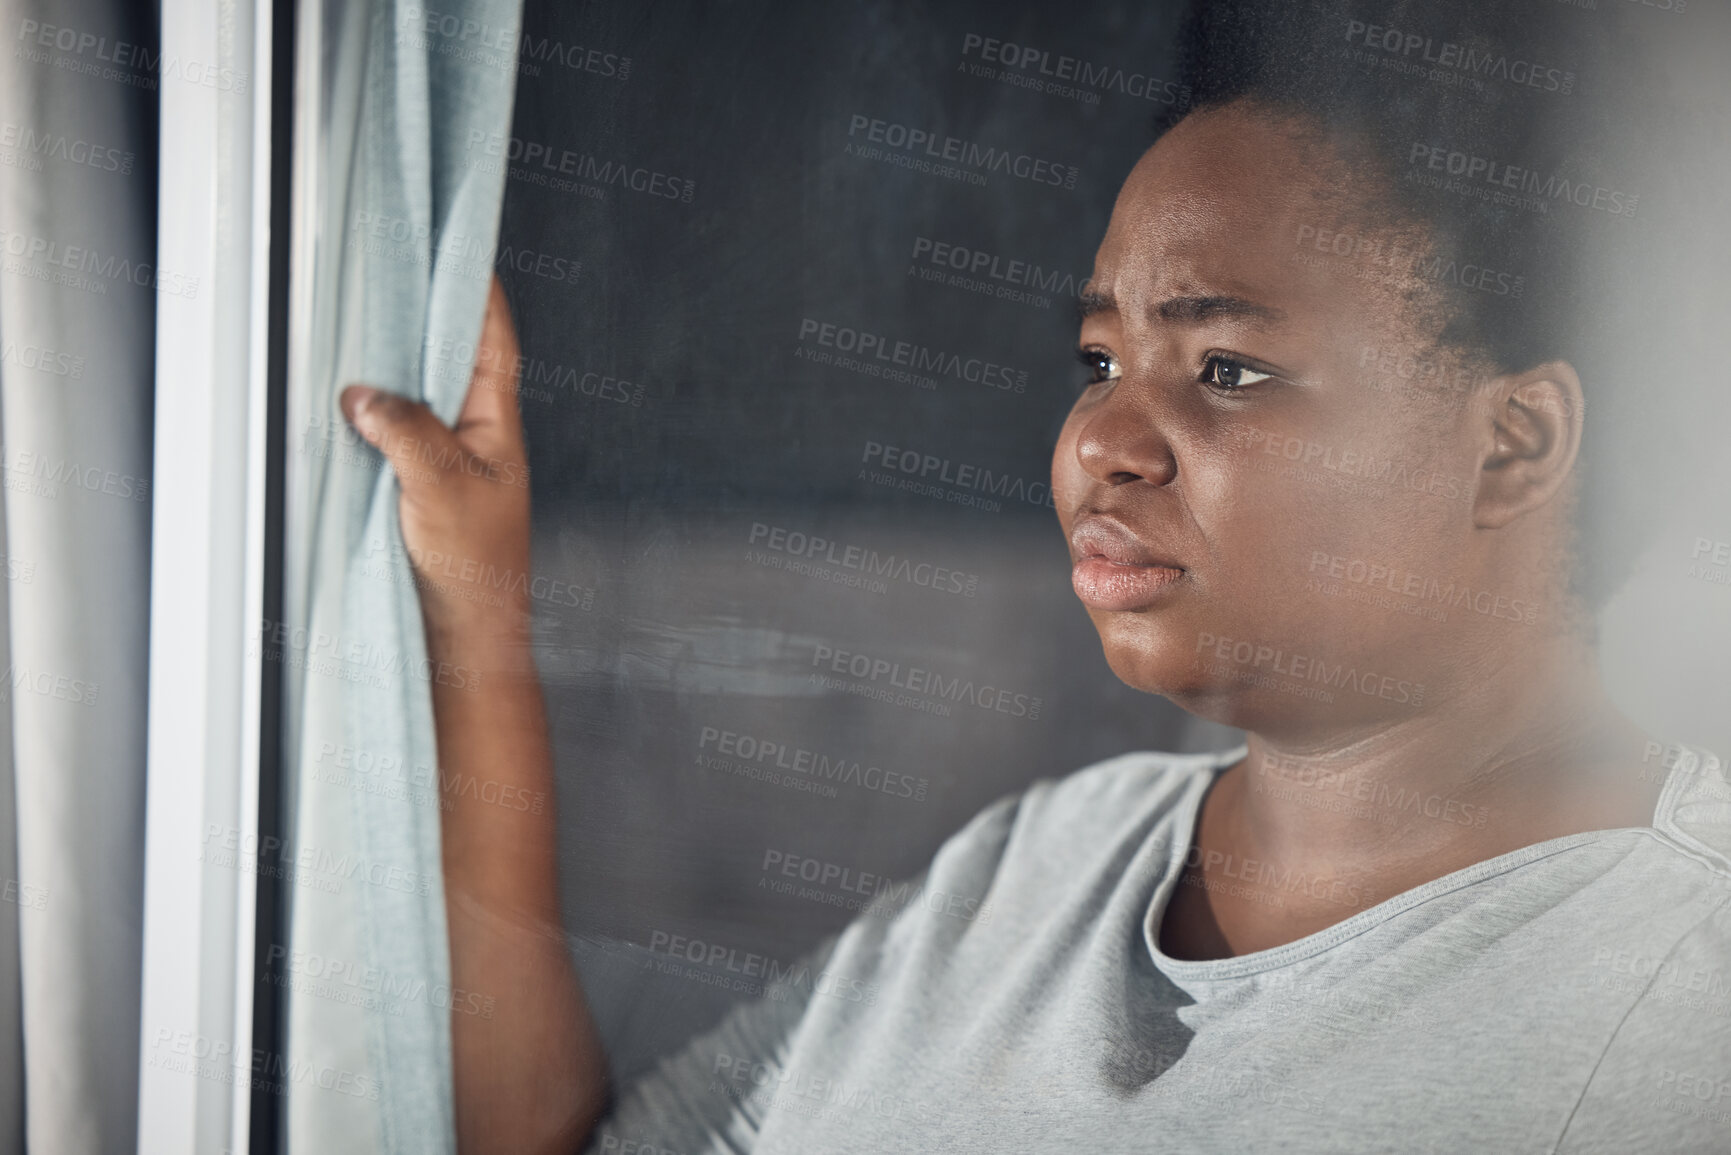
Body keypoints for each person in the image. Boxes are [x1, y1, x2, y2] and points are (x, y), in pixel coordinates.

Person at [339, 2, 1730, 1150]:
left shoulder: (1685, 1003)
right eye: (1100, 360)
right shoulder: (1046, 859)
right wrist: (475, 606)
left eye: (1228, 369)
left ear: (1513, 445)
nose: (1100, 442)